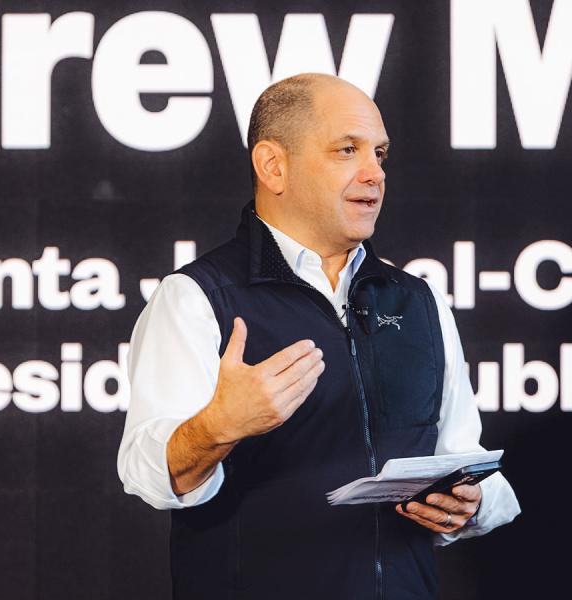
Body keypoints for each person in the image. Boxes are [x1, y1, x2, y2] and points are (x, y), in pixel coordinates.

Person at [118, 73, 520, 598]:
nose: (375, 173)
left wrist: (474, 503)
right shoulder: (198, 297)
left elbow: (465, 457)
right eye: (347, 150)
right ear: (273, 166)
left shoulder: (418, 301)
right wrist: (217, 426)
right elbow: (146, 475)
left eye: (380, 153)